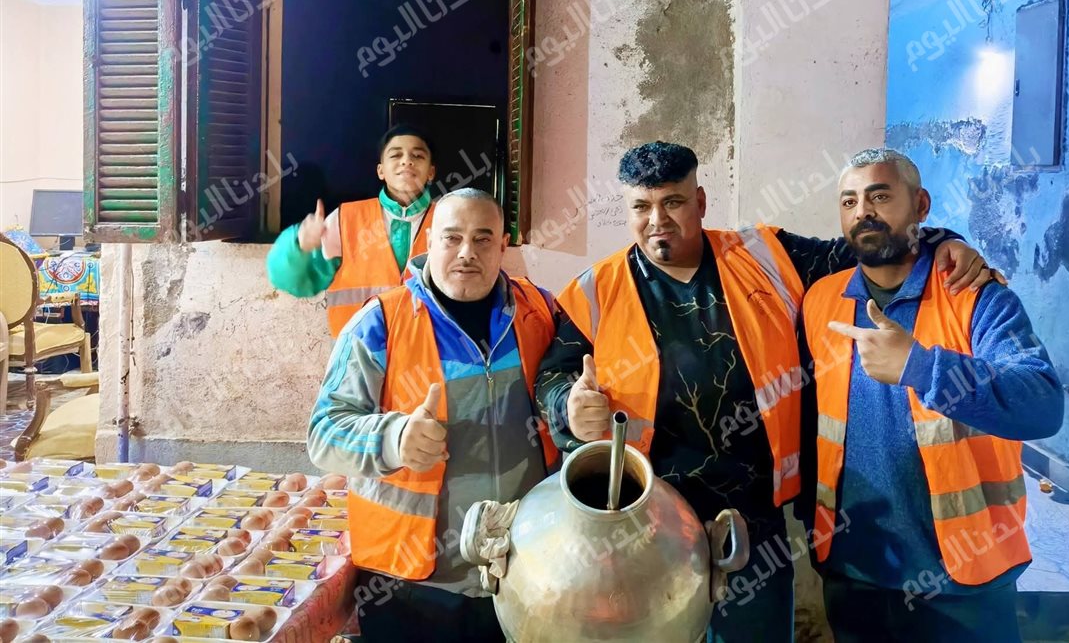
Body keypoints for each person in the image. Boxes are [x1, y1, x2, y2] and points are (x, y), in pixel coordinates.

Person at [535, 141, 996, 643]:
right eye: (641, 207)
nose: (657, 220)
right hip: (642, 522)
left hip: (753, 523)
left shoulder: (765, 256)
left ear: (700, 202)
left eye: (673, 202)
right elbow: (553, 376)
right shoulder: (595, 290)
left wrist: (940, 240)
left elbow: (865, 247)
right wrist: (569, 406)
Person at [800, 148, 1063, 642]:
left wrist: (921, 368)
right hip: (855, 573)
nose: (863, 212)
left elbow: (1043, 404)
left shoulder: (974, 295)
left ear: (921, 205)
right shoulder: (821, 300)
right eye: (849, 201)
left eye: (880, 196)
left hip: (966, 578)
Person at [307, 188, 571, 642]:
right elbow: (324, 432)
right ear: (430, 239)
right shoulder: (381, 322)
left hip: (518, 572)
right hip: (408, 587)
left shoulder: (541, 312)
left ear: (503, 245)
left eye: (483, 239)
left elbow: (565, 393)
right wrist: (394, 438)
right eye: (452, 238)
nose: (467, 252)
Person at [267, 123, 438, 336]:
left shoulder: (449, 220)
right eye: (396, 155)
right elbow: (292, 281)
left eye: (418, 155)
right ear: (381, 171)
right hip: (358, 350)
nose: (407, 161)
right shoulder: (345, 219)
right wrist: (299, 246)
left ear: (431, 172)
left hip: (429, 350)